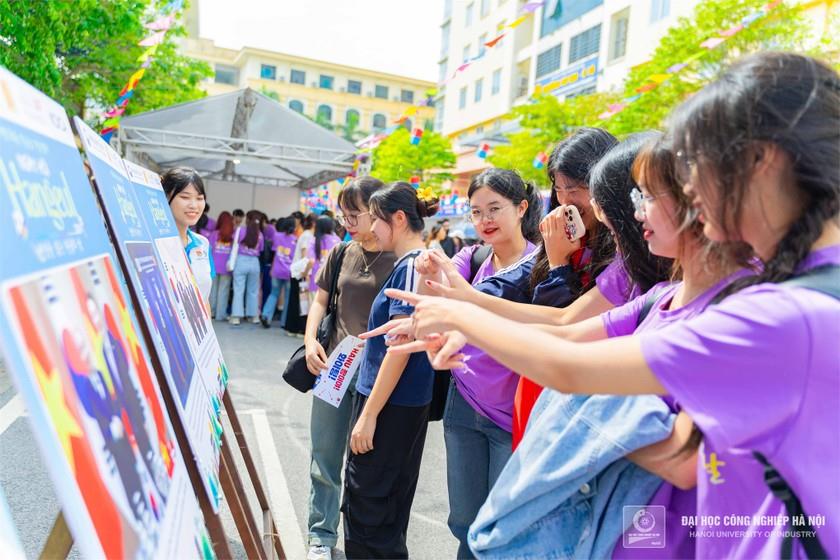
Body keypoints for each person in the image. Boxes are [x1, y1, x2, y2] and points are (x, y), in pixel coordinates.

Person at [388, 53, 840, 559]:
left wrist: (459, 314)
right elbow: (563, 337)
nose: (693, 192)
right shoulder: (770, 294)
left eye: (701, 169)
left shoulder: (785, 313)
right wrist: (466, 317)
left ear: (761, 161)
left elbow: (575, 370)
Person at [413, 168, 543, 558]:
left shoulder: (542, 266)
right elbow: (435, 310)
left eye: (494, 209)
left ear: (521, 208)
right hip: (465, 403)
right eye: (476, 212)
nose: (485, 220)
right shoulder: (472, 257)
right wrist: (428, 275)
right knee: (465, 519)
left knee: (503, 520)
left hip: (516, 410)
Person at [342, 182, 438, 559]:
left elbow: (398, 350)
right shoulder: (419, 262)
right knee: (387, 508)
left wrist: (368, 416)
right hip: (404, 402)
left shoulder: (412, 266)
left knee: (370, 506)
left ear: (398, 219)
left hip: (391, 403)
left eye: (377, 221)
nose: (372, 230)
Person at [302, 177, 395, 560]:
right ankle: (321, 535)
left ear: (379, 213)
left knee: (367, 464)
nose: (349, 223)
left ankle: (361, 538)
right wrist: (310, 341)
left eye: (355, 214)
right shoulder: (341, 252)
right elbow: (321, 303)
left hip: (378, 374)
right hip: (334, 369)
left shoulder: (399, 257)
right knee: (324, 455)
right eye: (344, 215)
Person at [161, 167, 214, 305]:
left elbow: (205, 299)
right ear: (165, 197)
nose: (194, 205)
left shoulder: (203, 244)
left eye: (199, 198)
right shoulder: (152, 244)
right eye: (185, 197)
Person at [229, 211, 264, 325]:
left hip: (241, 261)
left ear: (247, 219)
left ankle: (236, 317)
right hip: (255, 263)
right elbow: (262, 249)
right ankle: (254, 316)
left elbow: (234, 244)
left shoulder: (240, 230)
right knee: (253, 290)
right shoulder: (260, 234)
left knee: (238, 290)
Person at [260, 217, 296, 328]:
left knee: (273, 293)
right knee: (287, 297)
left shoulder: (277, 236)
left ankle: (266, 316)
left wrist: (271, 269)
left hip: (276, 270)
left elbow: (274, 253)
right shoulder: (295, 240)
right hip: (289, 272)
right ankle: (284, 322)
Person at [284, 213, 315, 336]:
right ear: (314, 223)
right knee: (301, 302)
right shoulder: (308, 235)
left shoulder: (306, 234)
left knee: (297, 300)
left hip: (299, 273)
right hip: (301, 273)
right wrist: (306, 273)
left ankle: (292, 328)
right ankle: (297, 329)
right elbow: (304, 255)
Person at [208, 211, 234, 320]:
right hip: (226, 268)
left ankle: (211, 312)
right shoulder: (233, 234)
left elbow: (209, 249)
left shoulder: (214, 234)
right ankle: (221, 314)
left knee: (212, 290)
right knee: (223, 290)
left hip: (213, 265)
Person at [306, 216, 341, 294]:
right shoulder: (337, 240)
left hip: (316, 280)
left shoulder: (313, 241)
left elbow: (311, 261)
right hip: (333, 281)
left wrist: (305, 273)